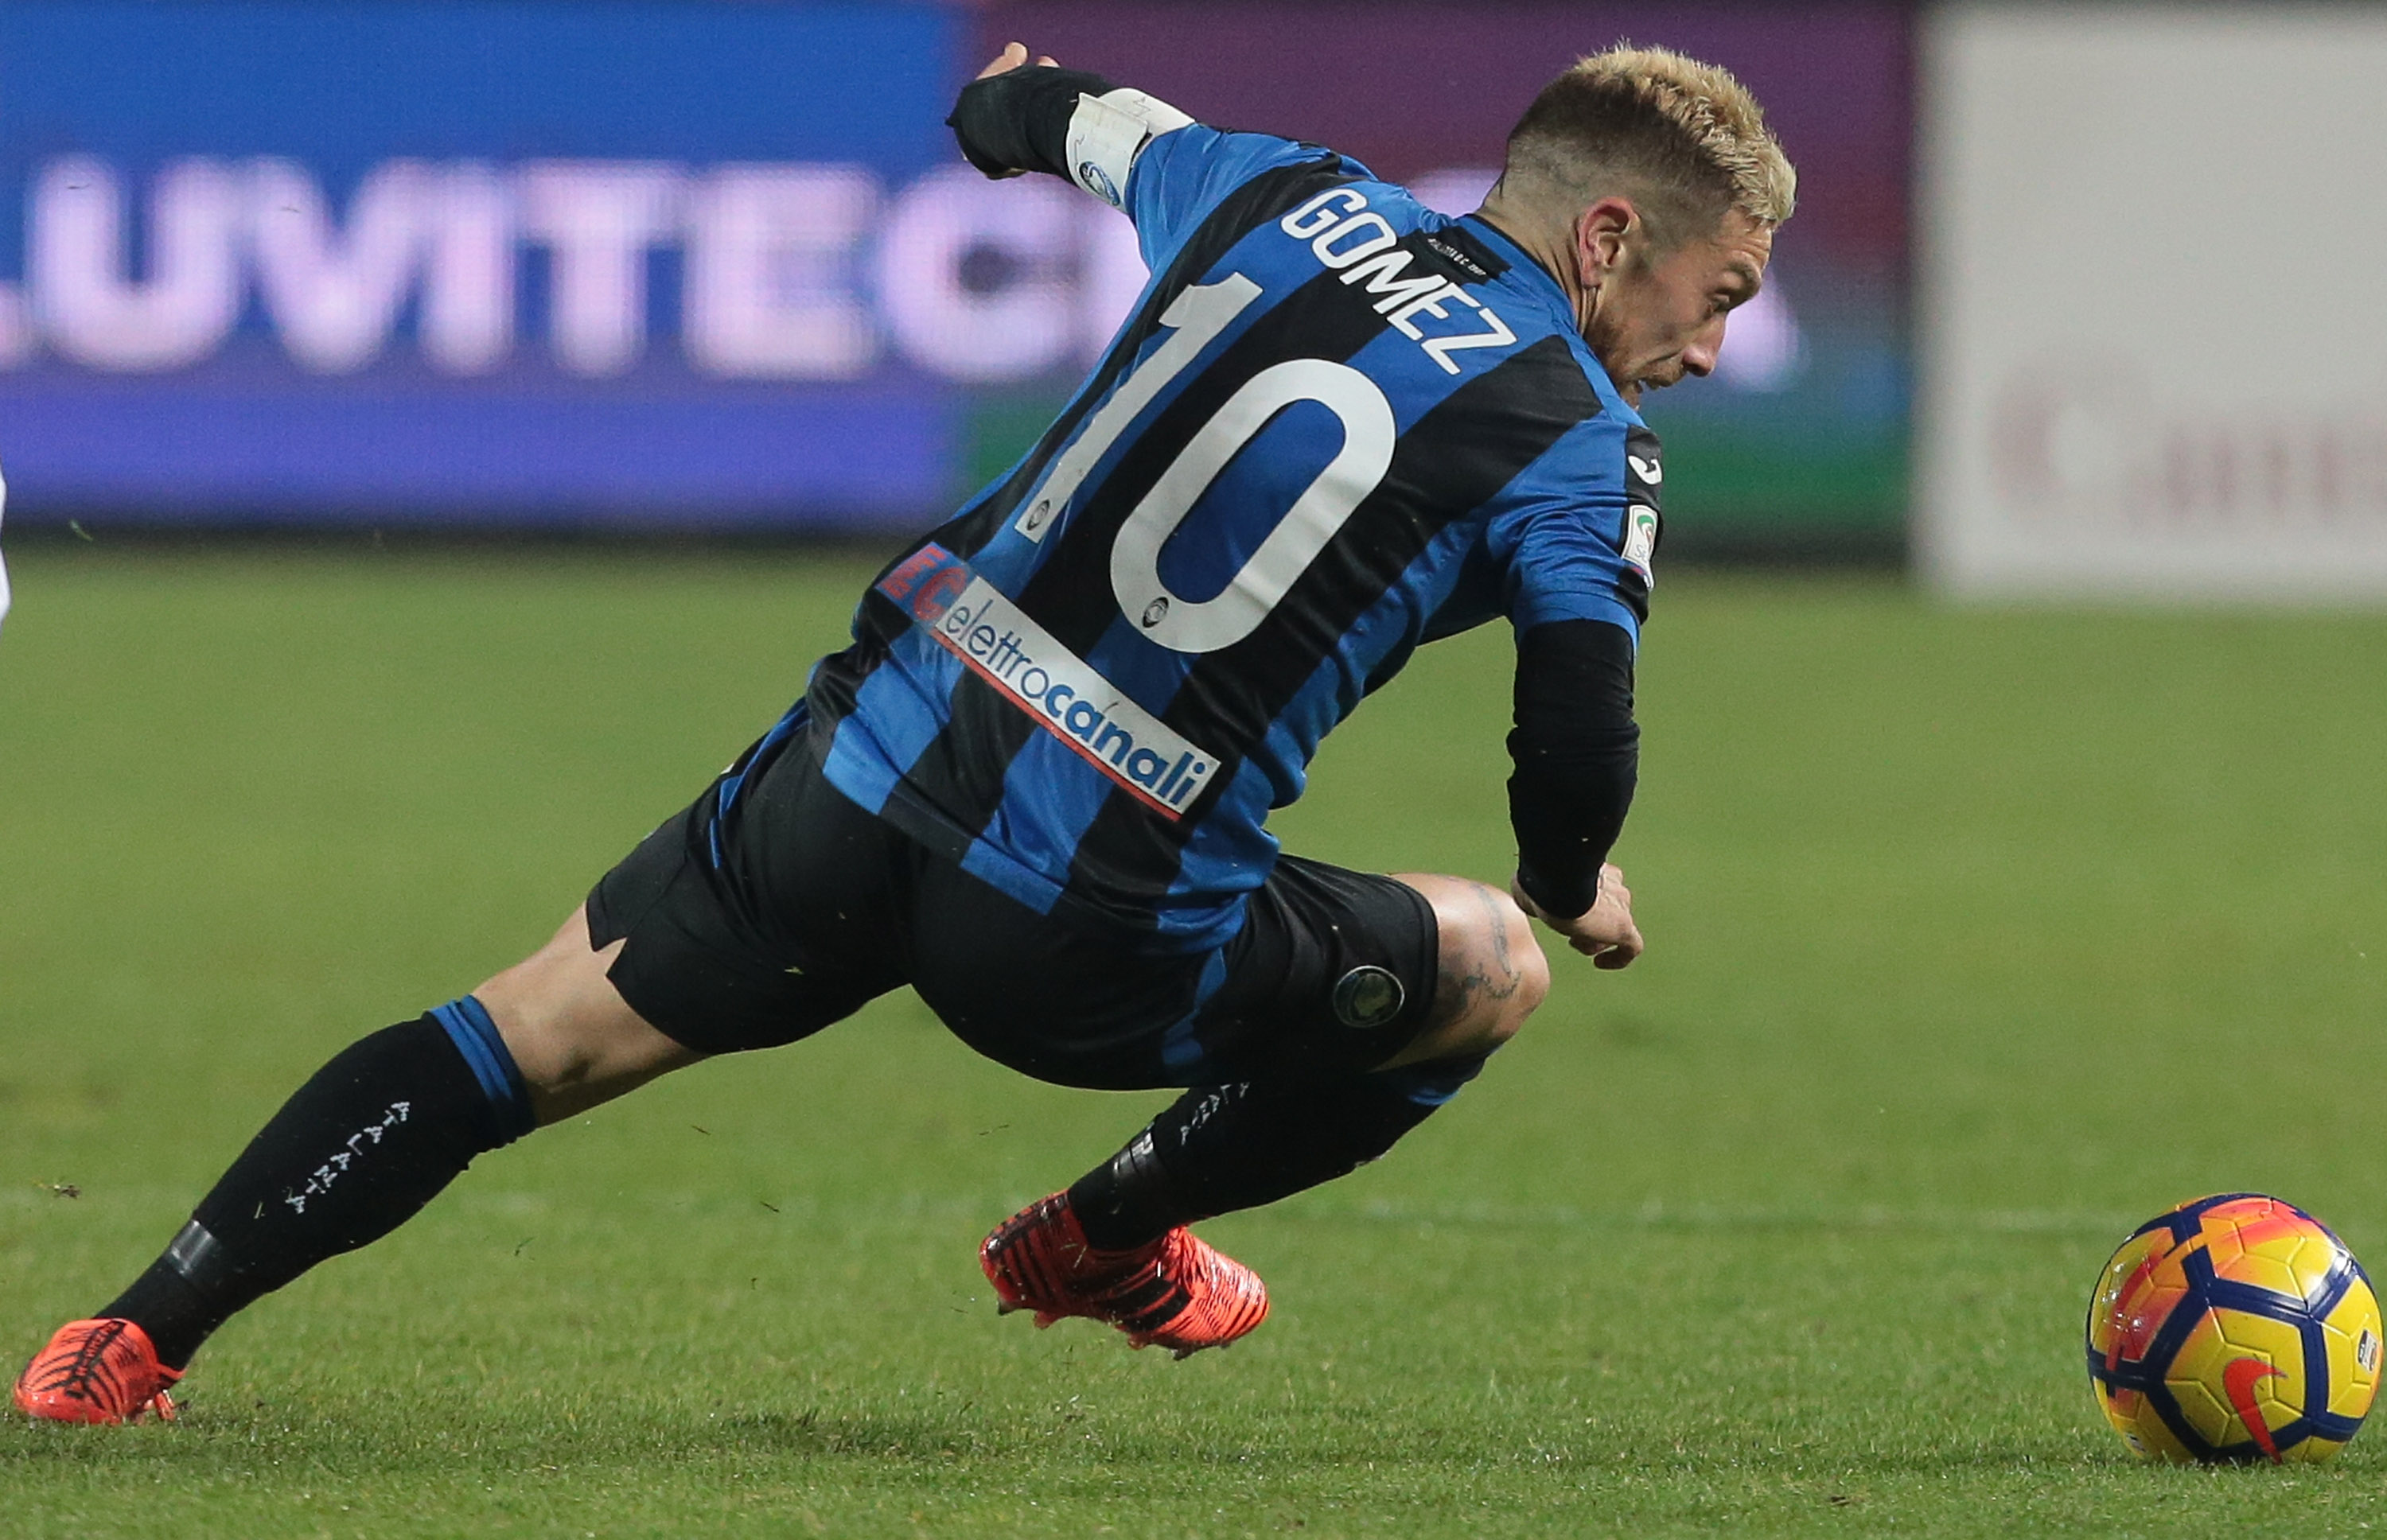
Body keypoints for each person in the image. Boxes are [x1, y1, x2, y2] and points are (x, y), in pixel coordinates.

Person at [14, 40, 1792, 1424]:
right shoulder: (1574, 431)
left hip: (861, 768)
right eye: (1717, 294)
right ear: (1608, 233)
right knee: (1490, 967)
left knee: (528, 1029)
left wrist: (1000, 109)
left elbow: (1052, 117)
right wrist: (1571, 880)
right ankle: (1102, 1237)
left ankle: (127, 1333)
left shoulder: (1276, 194)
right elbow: (1574, 738)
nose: (1710, 349)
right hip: (1084, 927)